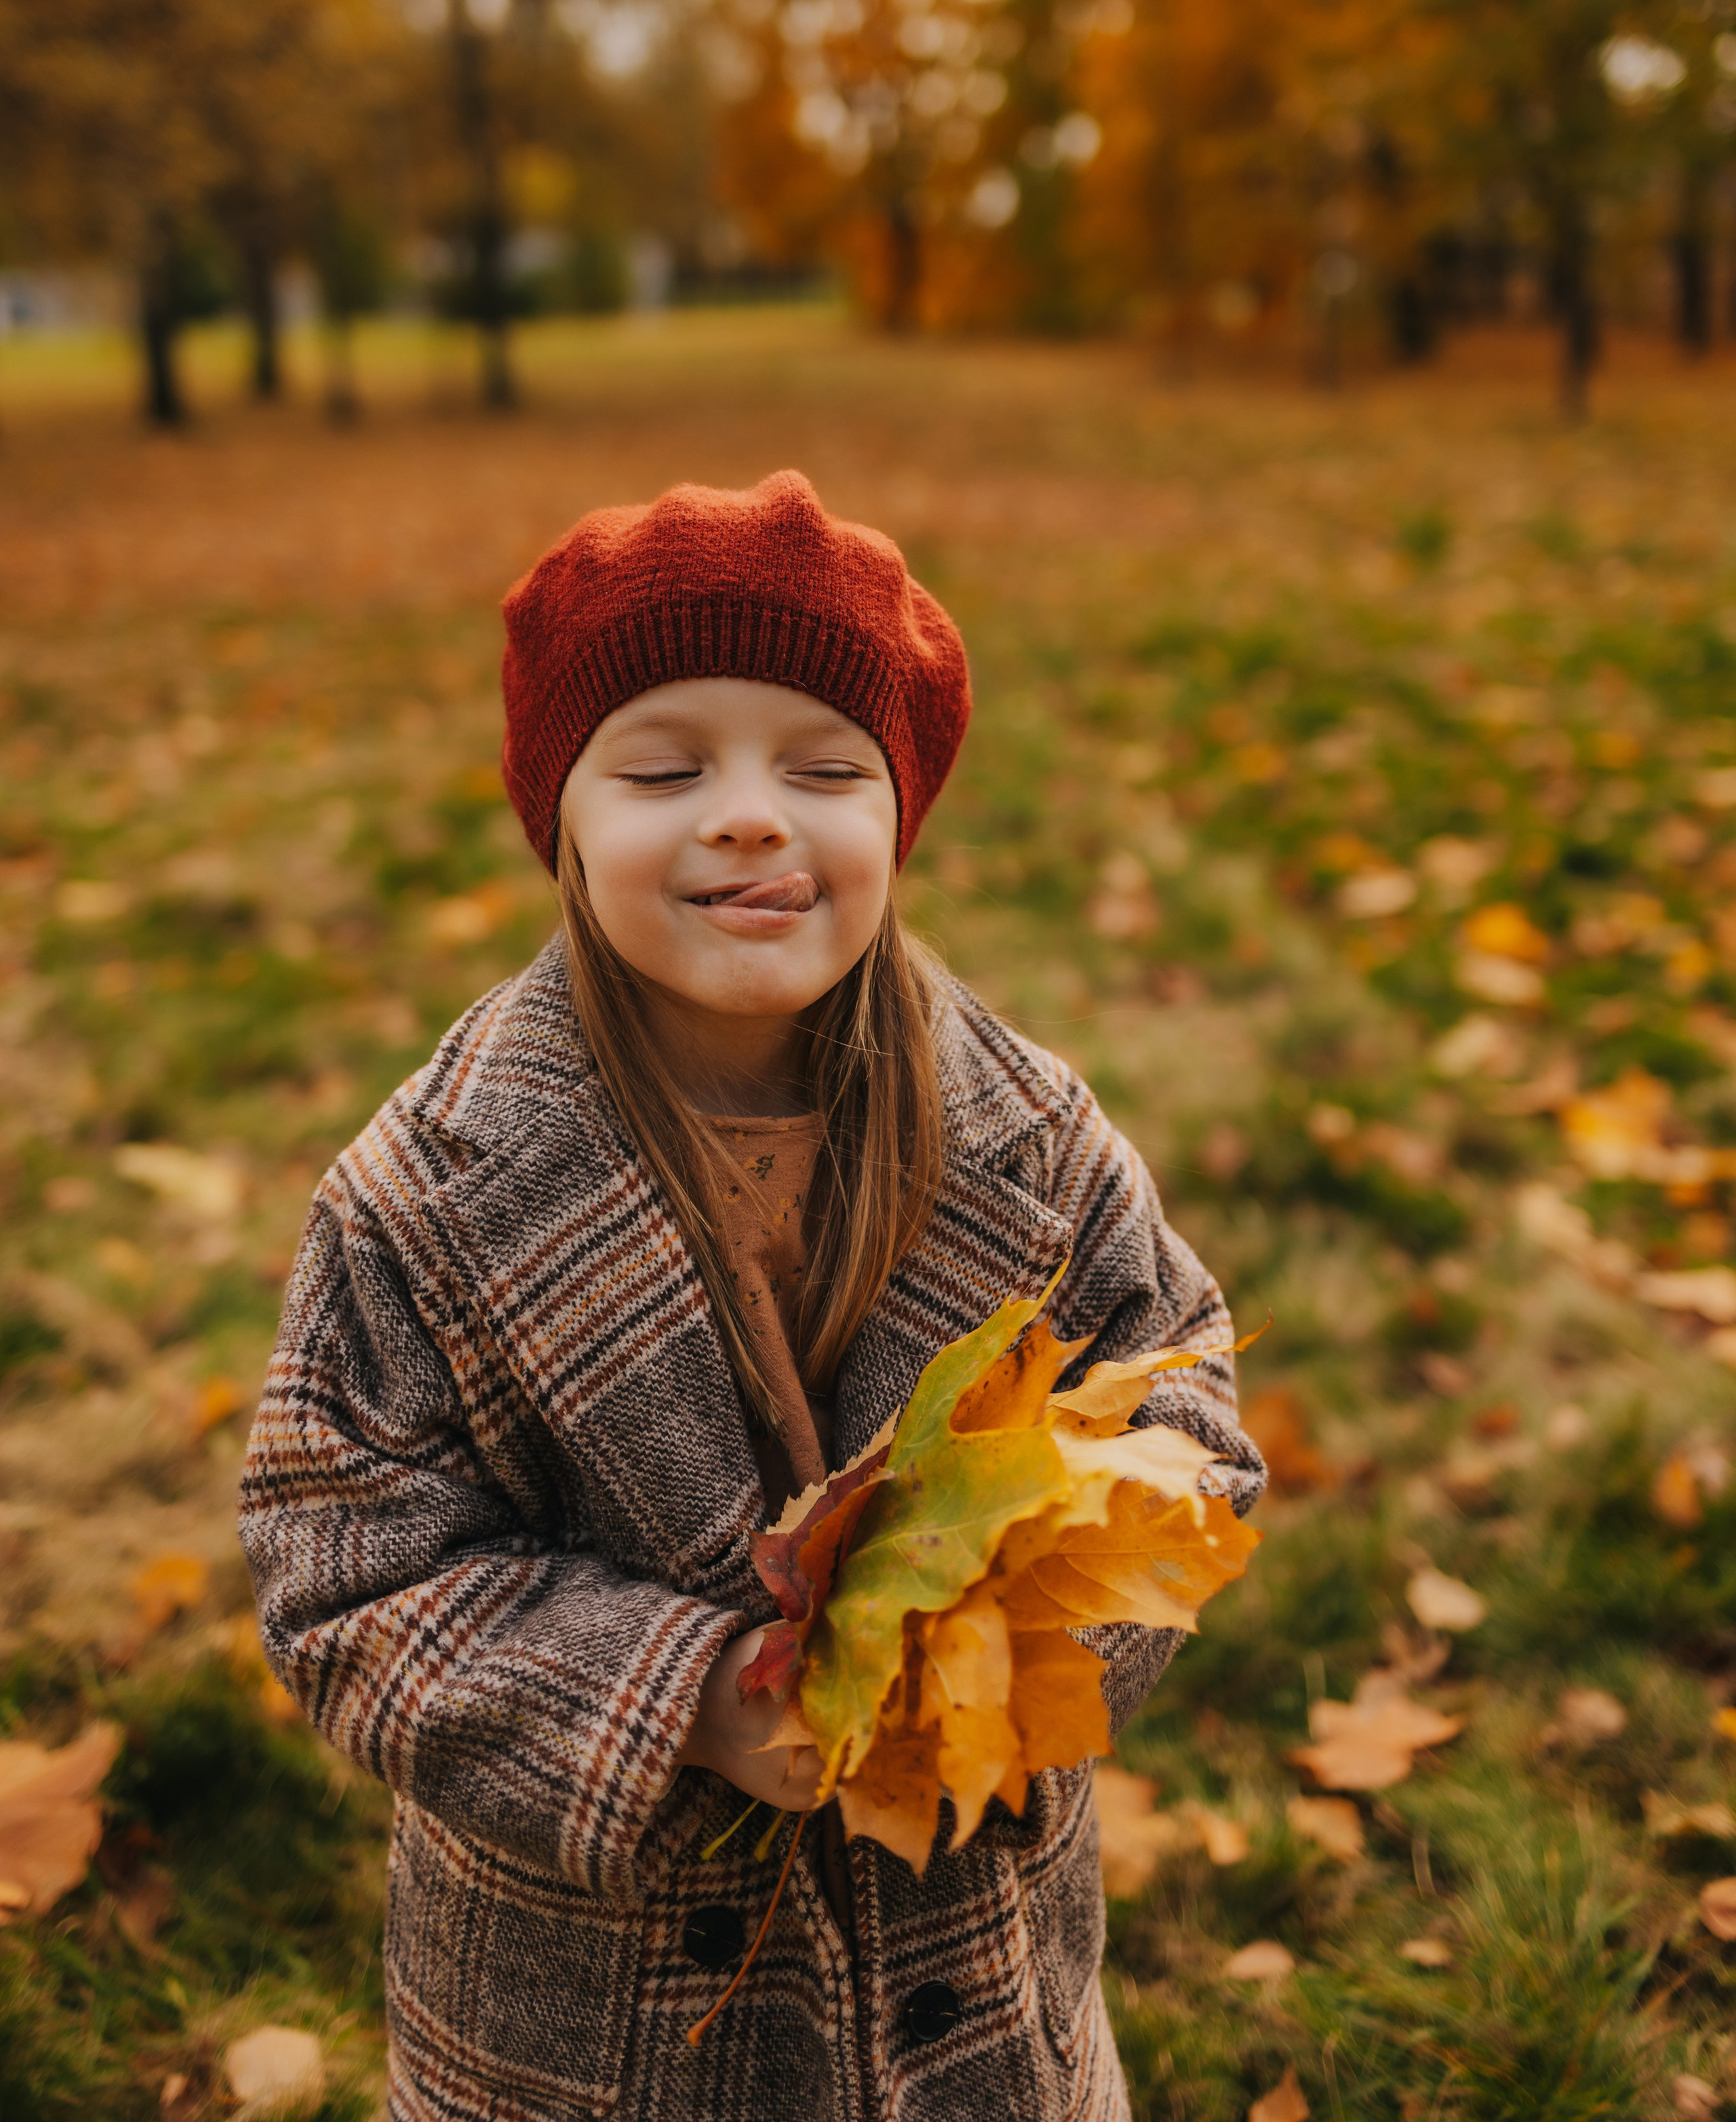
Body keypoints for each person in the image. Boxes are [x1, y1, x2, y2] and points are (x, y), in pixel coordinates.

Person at [239, 469, 1264, 2122]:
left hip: (970, 1998)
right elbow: (347, 1569)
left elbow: (1182, 1416)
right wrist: (686, 1702)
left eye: (824, 768)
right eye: (661, 768)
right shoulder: (428, 1197)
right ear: (558, 816)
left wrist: (994, 1655)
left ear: (896, 816)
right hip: (595, 2030)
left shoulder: (1032, 1140)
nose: (745, 814)